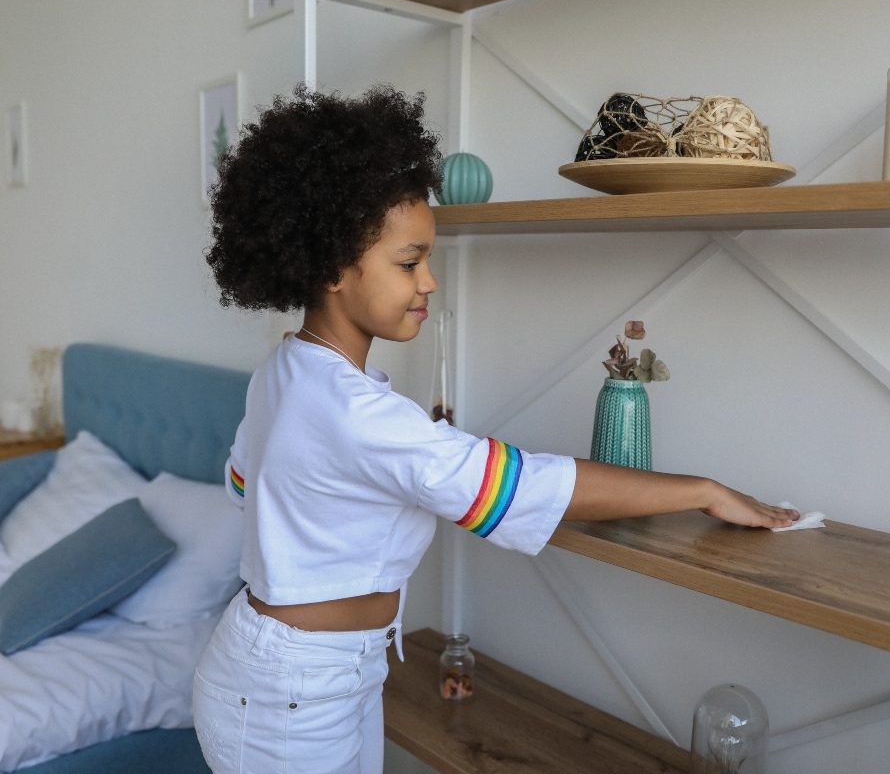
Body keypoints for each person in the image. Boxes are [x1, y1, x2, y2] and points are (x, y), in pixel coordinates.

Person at [193, 83, 798, 774]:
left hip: (303, 675)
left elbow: (245, 483)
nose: (430, 283)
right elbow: (522, 488)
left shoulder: (286, 370)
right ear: (333, 264)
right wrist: (701, 489)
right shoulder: (357, 414)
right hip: (291, 696)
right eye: (409, 262)